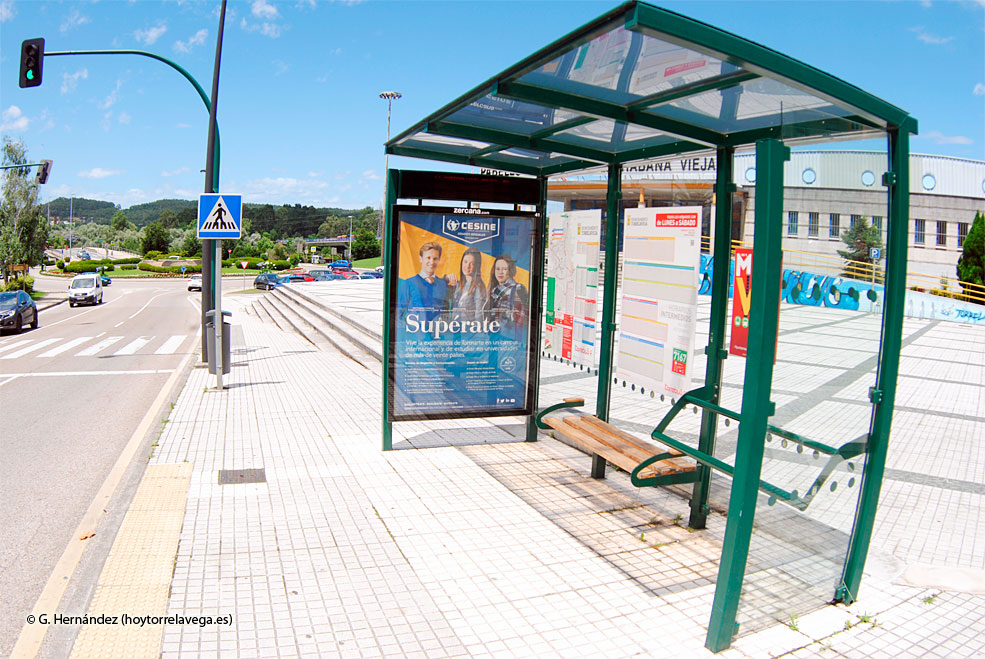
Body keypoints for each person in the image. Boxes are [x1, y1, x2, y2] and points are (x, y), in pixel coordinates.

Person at [398, 241, 450, 322]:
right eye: (428, 258)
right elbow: (398, 314)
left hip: (437, 333)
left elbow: (446, 313)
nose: (432, 262)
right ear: (420, 259)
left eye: (435, 258)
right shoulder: (408, 283)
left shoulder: (442, 284)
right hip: (415, 332)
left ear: (439, 260)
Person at [487, 254, 528, 331]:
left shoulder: (518, 289)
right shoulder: (494, 291)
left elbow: (521, 318)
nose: (500, 272)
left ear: (510, 270)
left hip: (507, 338)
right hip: (494, 335)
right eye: (498, 269)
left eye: (504, 269)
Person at [450, 247, 487, 322]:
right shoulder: (459, 285)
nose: (467, 266)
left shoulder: (478, 288)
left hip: (468, 330)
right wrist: (447, 278)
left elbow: (479, 317)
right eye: (465, 262)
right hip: (455, 329)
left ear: (476, 266)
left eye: (472, 263)